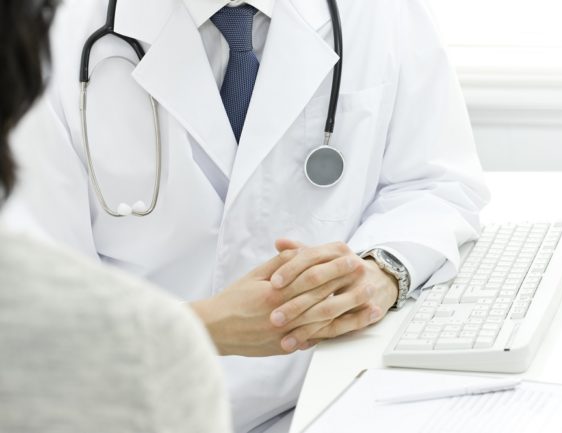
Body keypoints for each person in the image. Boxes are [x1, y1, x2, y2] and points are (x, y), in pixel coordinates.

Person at [7, 0, 491, 431]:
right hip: (135, 404)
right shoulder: (45, 32)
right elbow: (32, 308)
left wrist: (380, 271)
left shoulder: (380, 12)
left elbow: (434, 183)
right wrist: (204, 326)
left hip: (327, 392)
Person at [0, 0, 236, 431]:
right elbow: (59, 295)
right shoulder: (64, 35)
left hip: (318, 383)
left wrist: (384, 267)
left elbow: (403, 178)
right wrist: (198, 326)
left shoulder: (362, 18)